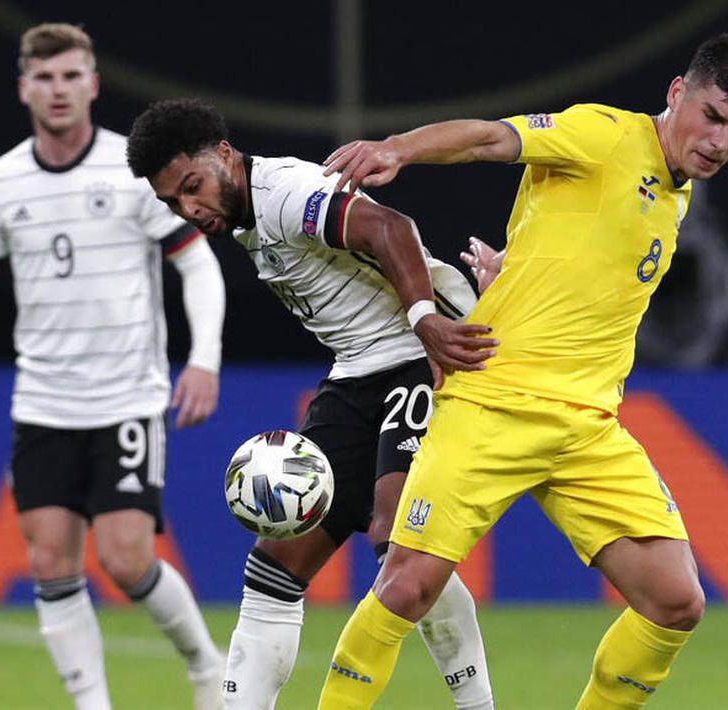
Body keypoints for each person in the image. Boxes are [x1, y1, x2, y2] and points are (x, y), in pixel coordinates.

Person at [317, 32, 728, 709]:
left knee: (674, 601)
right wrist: (397, 148)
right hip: (494, 403)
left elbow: (587, 262)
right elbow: (486, 140)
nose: (719, 140)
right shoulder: (603, 134)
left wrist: (517, 270)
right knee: (408, 584)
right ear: (677, 94)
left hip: (586, 427)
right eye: (710, 115)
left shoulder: (674, 197)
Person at [126, 99, 499, 710]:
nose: (189, 210)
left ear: (224, 155)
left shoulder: (283, 192)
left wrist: (426, 318)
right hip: (358, 375)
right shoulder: (245, 215)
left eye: (192, 187)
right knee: (276, 561)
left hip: (419, 353)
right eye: (173, 203)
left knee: (397, 534)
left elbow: (390, 227)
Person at [0, 24, 227, 710]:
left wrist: (203, 358)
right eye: (45, 78)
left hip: (126, 398)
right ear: (24, 87)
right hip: (44, 403)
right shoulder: (0, 184)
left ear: (93, 84)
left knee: (124, 560)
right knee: (49, 561)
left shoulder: (132, 171)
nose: (59, 90)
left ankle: (207, 664)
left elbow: (195, 260)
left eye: (71, 75)